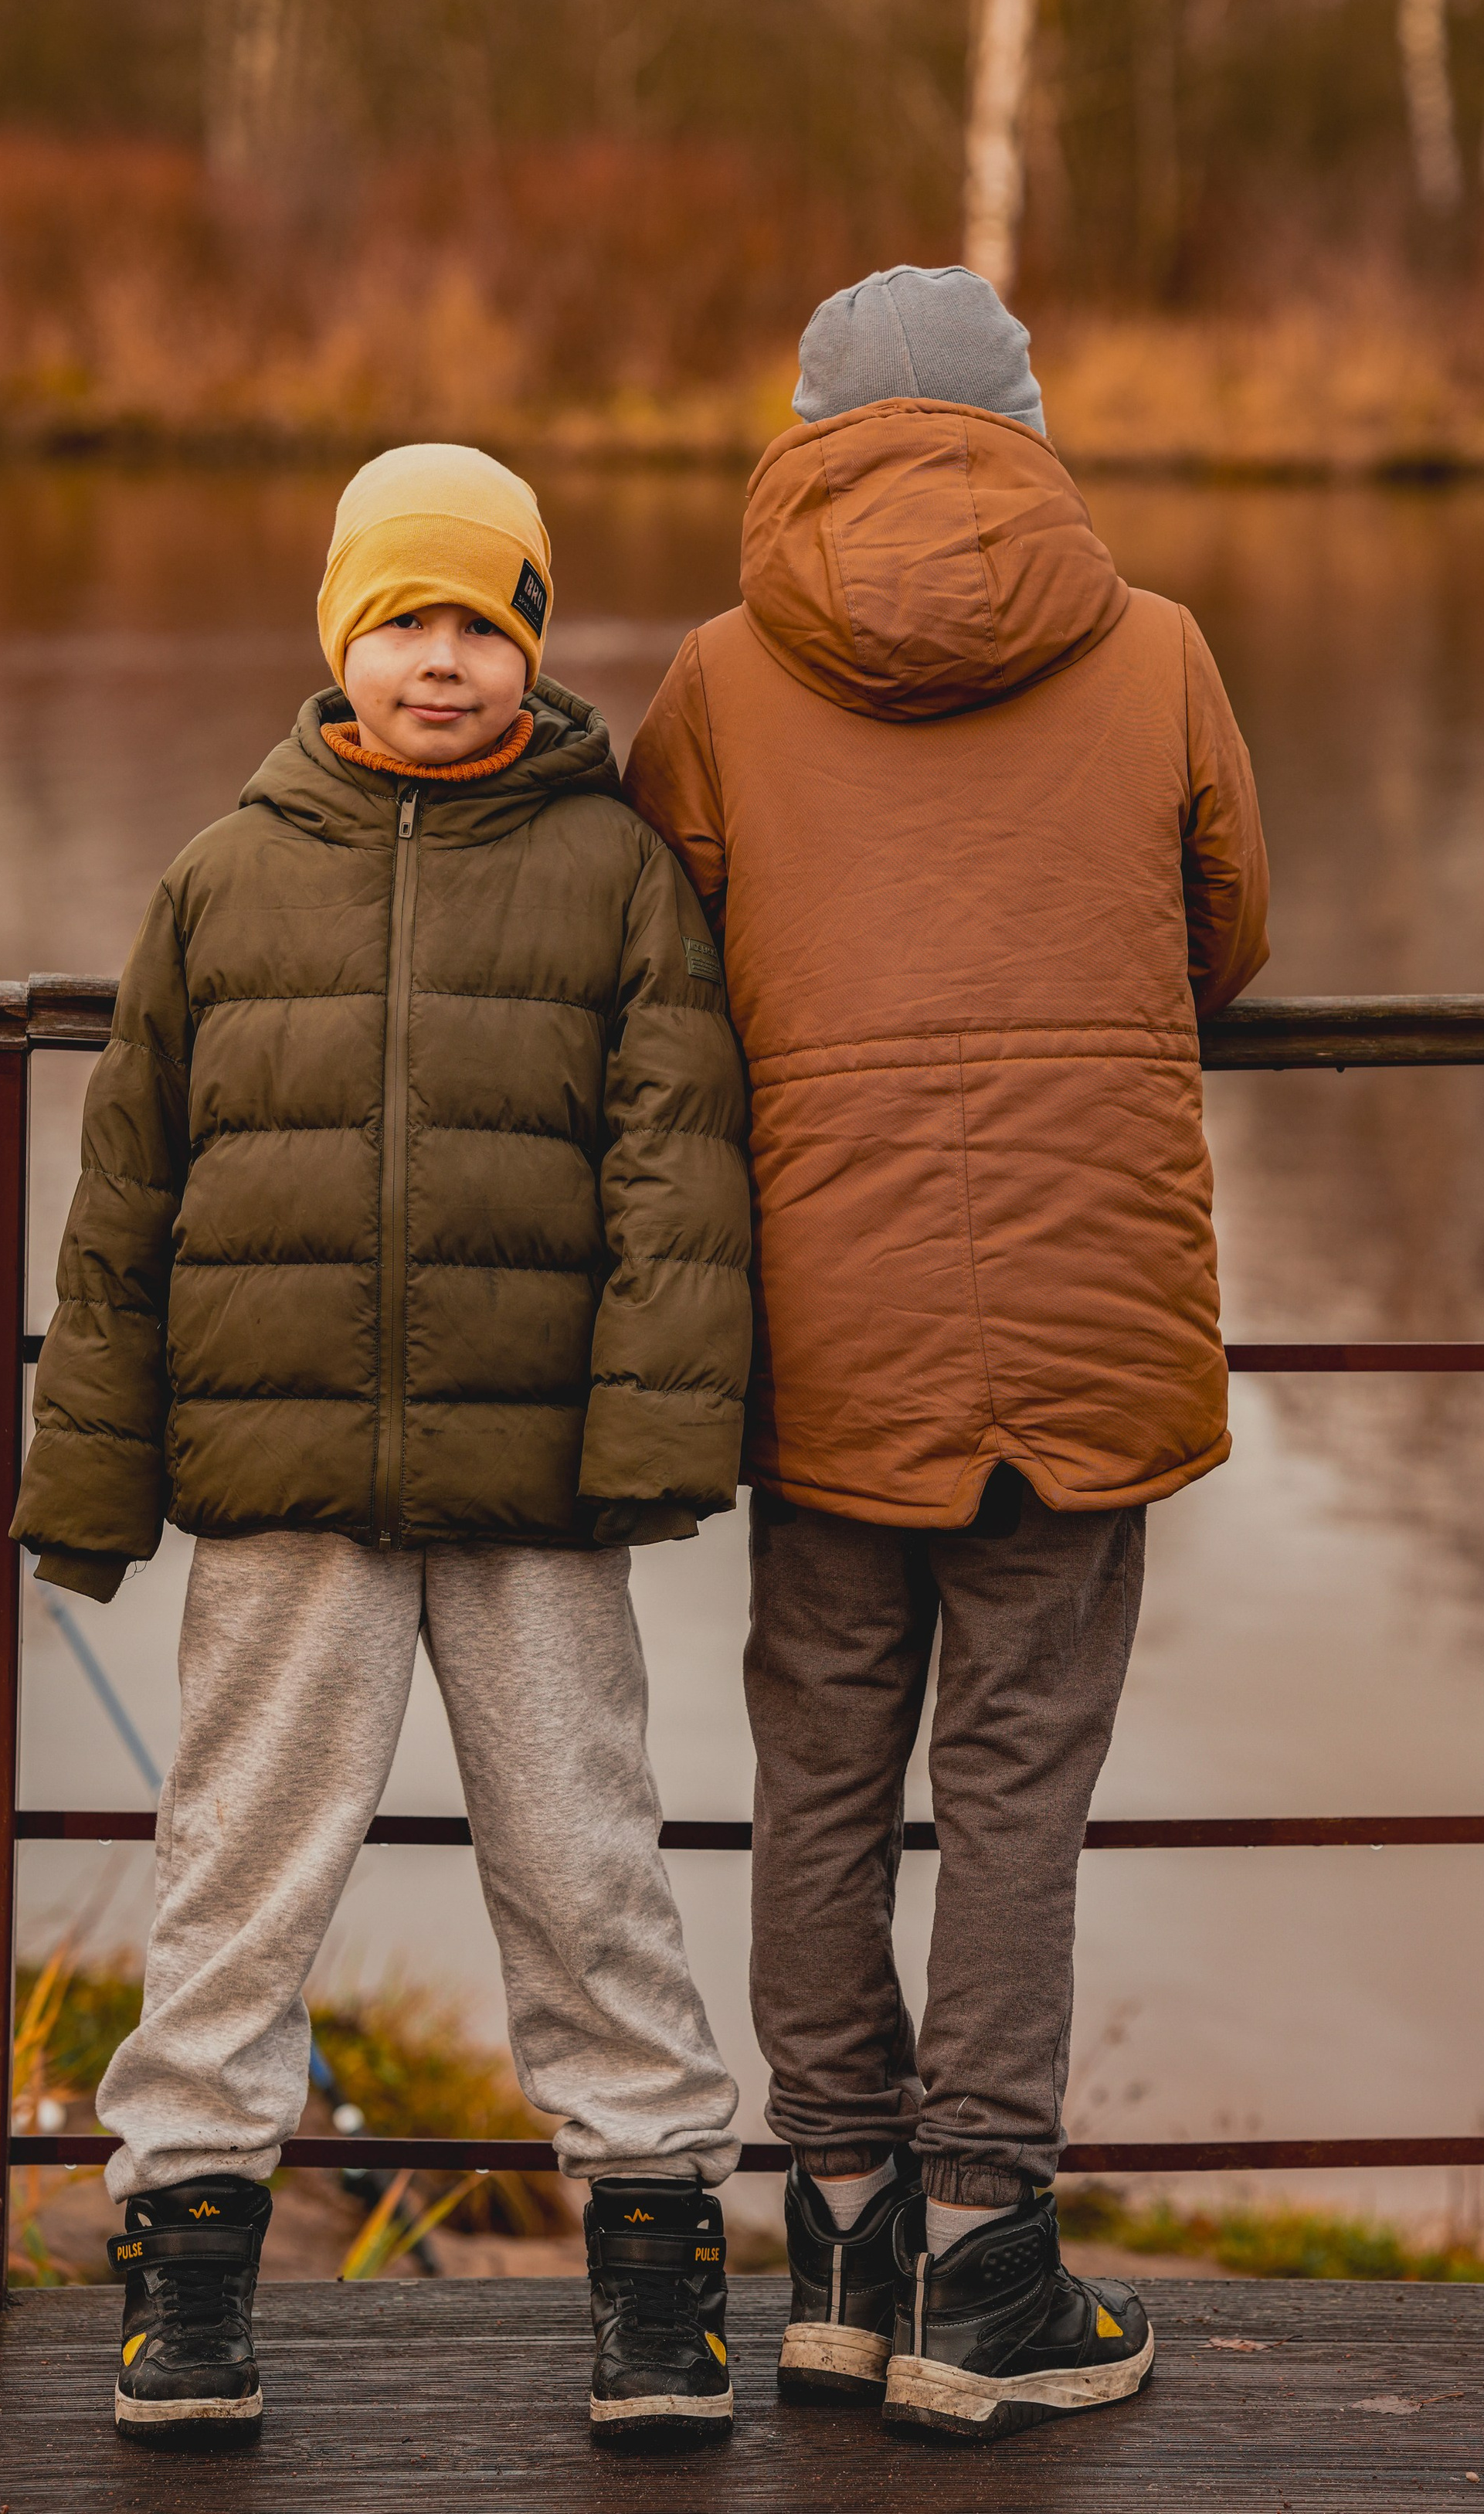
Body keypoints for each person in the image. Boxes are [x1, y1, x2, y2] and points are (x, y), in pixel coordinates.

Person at [11, 443, 751, 2454]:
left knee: (589, 1865)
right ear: (343, 639)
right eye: (403, 622)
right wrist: (91, 1479)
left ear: (530, 638)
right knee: (238, 1869)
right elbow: (125, 1200)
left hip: (536, 1497)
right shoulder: (226, 874)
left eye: (479, 623)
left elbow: (678, 1173)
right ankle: (185, 2262)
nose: (441, 662)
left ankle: (658, 2260)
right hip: (285, 1497)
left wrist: (651, 1441)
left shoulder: (613, 871)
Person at [623, 263, 1270, 2448]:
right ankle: (987, 2265)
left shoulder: (717, 676)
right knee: (1015, 1784)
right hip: (1085, 1296)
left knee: (819, 1774)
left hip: (823, 1310)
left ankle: (830, 2232)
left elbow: (668, 959)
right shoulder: (1159, 642)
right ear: (1031, 421)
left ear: (801, 428)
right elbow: (1232, 929)